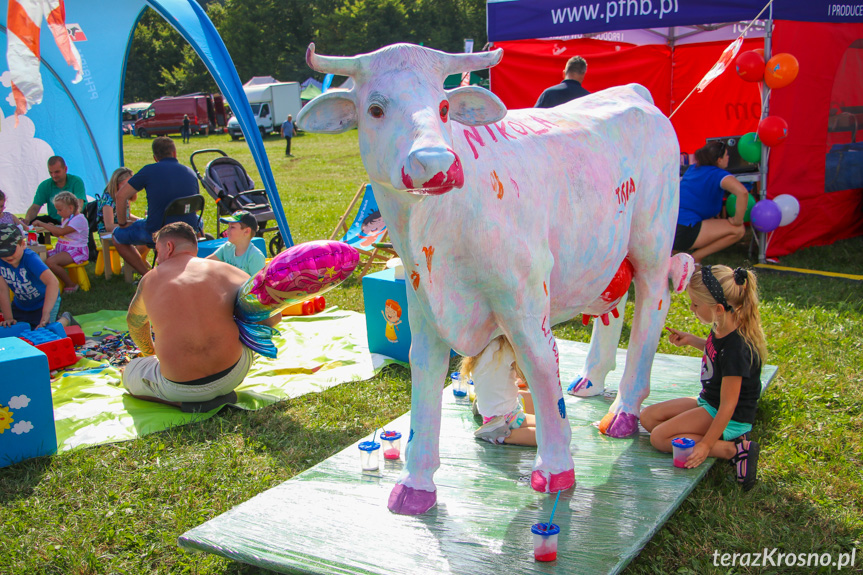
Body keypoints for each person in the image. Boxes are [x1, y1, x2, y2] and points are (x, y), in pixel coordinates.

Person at [121, 222, 278, 408]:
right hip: (233, 374)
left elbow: (135, 323)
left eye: (157, 251)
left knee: (129, 373)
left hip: (179, 387)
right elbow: (272, 318)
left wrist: (151, 354)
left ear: (169, 247)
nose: (158, 260)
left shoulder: (149, 280)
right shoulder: (230, 271)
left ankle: (180, 403)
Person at [640, 265, 766, 491]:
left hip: (727, 414)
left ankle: (734, 449)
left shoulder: (737, 348)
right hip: (708, 402)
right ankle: (713, 438)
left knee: (659, 438)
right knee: (648, 417)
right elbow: (715, 352)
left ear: (718, 308)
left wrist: (706, 445)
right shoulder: (723, 324)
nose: (691, 308)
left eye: (696, 305)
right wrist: (691, 340)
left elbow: (729, 405)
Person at [112, 137, 201, 277]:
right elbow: (195, 207)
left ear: (155, 157)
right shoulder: (189, 172)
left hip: (158, 230)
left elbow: (121, 196)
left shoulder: (149, 171)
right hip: (188, 228)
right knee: (198, 221)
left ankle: (147, 275)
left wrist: (122, 223)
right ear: (175, 153)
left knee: (117, 236)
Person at [673, 141, 751, 263]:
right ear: (719, 160)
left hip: (670, 226)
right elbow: (743, 192)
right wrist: (737, 220)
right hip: (685, 229)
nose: (728, 158)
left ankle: (674, 258)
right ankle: (695, 258)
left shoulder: (692, 169)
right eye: (726, 155)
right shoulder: (719, 174)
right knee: (738, 230)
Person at [460, 335, 537, 446]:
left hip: (491, 413)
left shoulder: (480, 345)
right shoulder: (507, 348)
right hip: (505, 417)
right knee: (550, 434)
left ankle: (486, 415)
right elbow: (531, 382)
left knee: (524, 396)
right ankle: (500, 436)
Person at [0, 223, 61, 328]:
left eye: (11, 251)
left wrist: (46, 313)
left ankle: (65, 319)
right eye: (3, 253)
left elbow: (53, 282)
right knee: (15, 331)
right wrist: (8, 317)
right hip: (21, 305)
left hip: (44, 303)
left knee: (46, 330)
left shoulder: (30, 258)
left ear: (23, 245)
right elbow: (2, 290)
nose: (8, 256)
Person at [22, 156, 87, 242]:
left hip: (73, 218)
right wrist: (27, 220)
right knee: (34, 222)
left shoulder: (76, 182)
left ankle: (90, 252)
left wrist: (67, 221)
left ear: (65, 169)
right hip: (54, 219)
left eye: (57, 172)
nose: (54, 175)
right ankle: (41, 249)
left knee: (82, 221)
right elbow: (35, 207)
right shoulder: (45, 185)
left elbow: (79, 205)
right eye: (51, 172)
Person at [38, 192, 90, 293]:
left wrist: (42, 224)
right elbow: (59, 234)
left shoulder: (79, 219)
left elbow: (61, 232)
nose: (57, 213)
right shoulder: (67, 218)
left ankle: (70, 284)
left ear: (71, 208)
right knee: (41, 258)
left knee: (50, 262)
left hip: (75, 250)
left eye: (59, 210)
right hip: (64, 249)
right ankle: (49, 283)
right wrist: (52, 226)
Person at [205, 210, 265, 276]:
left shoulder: (255, 256)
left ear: (247, 231)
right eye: (228, 226)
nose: (227, 230)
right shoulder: (227, 247)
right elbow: (206, 263)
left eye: (232, 227)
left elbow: (259, 283)